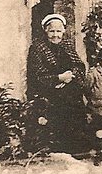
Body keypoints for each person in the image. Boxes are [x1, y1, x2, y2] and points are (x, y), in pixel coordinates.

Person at [26, 13, 89, 156]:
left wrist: (70, 76)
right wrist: (59, 78)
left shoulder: (67, 44)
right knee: (58, 122)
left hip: (71, 91)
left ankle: (77, 150)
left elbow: (79, 66)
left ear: (63, 31)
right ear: (45, 31)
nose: (55, 35)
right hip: (51, 93)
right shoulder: (38, 47)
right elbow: (36, 75)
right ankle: (59, 152)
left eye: (58, 31)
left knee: (76, 120)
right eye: (52, 31)